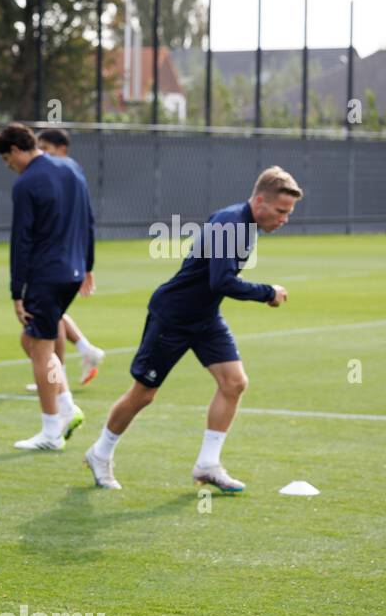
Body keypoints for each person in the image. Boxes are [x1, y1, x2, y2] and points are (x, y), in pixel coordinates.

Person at [84, 167, 299, 491]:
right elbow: (222, 281)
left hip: (205, 317)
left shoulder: (242, 221)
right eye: (281, 211)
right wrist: (267, 292)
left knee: (234, 382)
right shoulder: (232, 223)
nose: (284, 219)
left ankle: (208, 464)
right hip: (174, 316)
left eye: (289, 213)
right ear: (259, 201)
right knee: (143, 394)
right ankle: (100, 453)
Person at [0, 122, 94, 450]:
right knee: (32, 341)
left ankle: (52, 432)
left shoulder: (27, 184)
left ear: (15, 151)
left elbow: (21, 241)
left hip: (47, 275)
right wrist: (88, 264)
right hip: (74, 270)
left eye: (8, 161)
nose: (10, 167)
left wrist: (16, 292)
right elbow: (88, 219)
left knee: (39, 348)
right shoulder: (72, 167)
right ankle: (66, 407)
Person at [35, 127, 105, 386]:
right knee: (51, 315)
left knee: (45, 321)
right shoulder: (63, 174)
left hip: (57, 259)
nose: (42, 154)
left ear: (62, 149)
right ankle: (84, 351)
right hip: (63, 257)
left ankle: (57, 380)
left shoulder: (66, 175)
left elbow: (85, 219)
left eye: (47, 148)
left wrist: (87, 264)